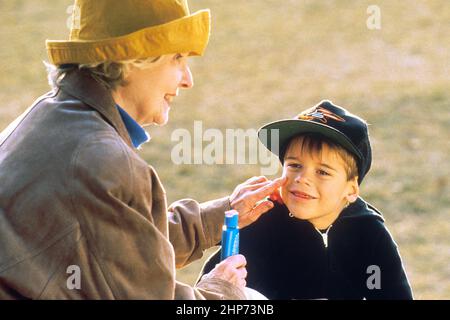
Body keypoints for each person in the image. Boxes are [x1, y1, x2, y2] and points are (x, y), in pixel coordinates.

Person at [0, 0, 285, 299]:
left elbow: (119, 251)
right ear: (134, 59)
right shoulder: (103, 159)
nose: (188, 79)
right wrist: (222, 291)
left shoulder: (52, 114)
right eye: (177, 58)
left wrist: (217, 218)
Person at [200, 100, 413, 299]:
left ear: (351, 189)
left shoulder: (369, 236)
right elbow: (210, 289)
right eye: (294, 165)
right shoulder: (260, 227)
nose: (302, 179)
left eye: (322, 172)